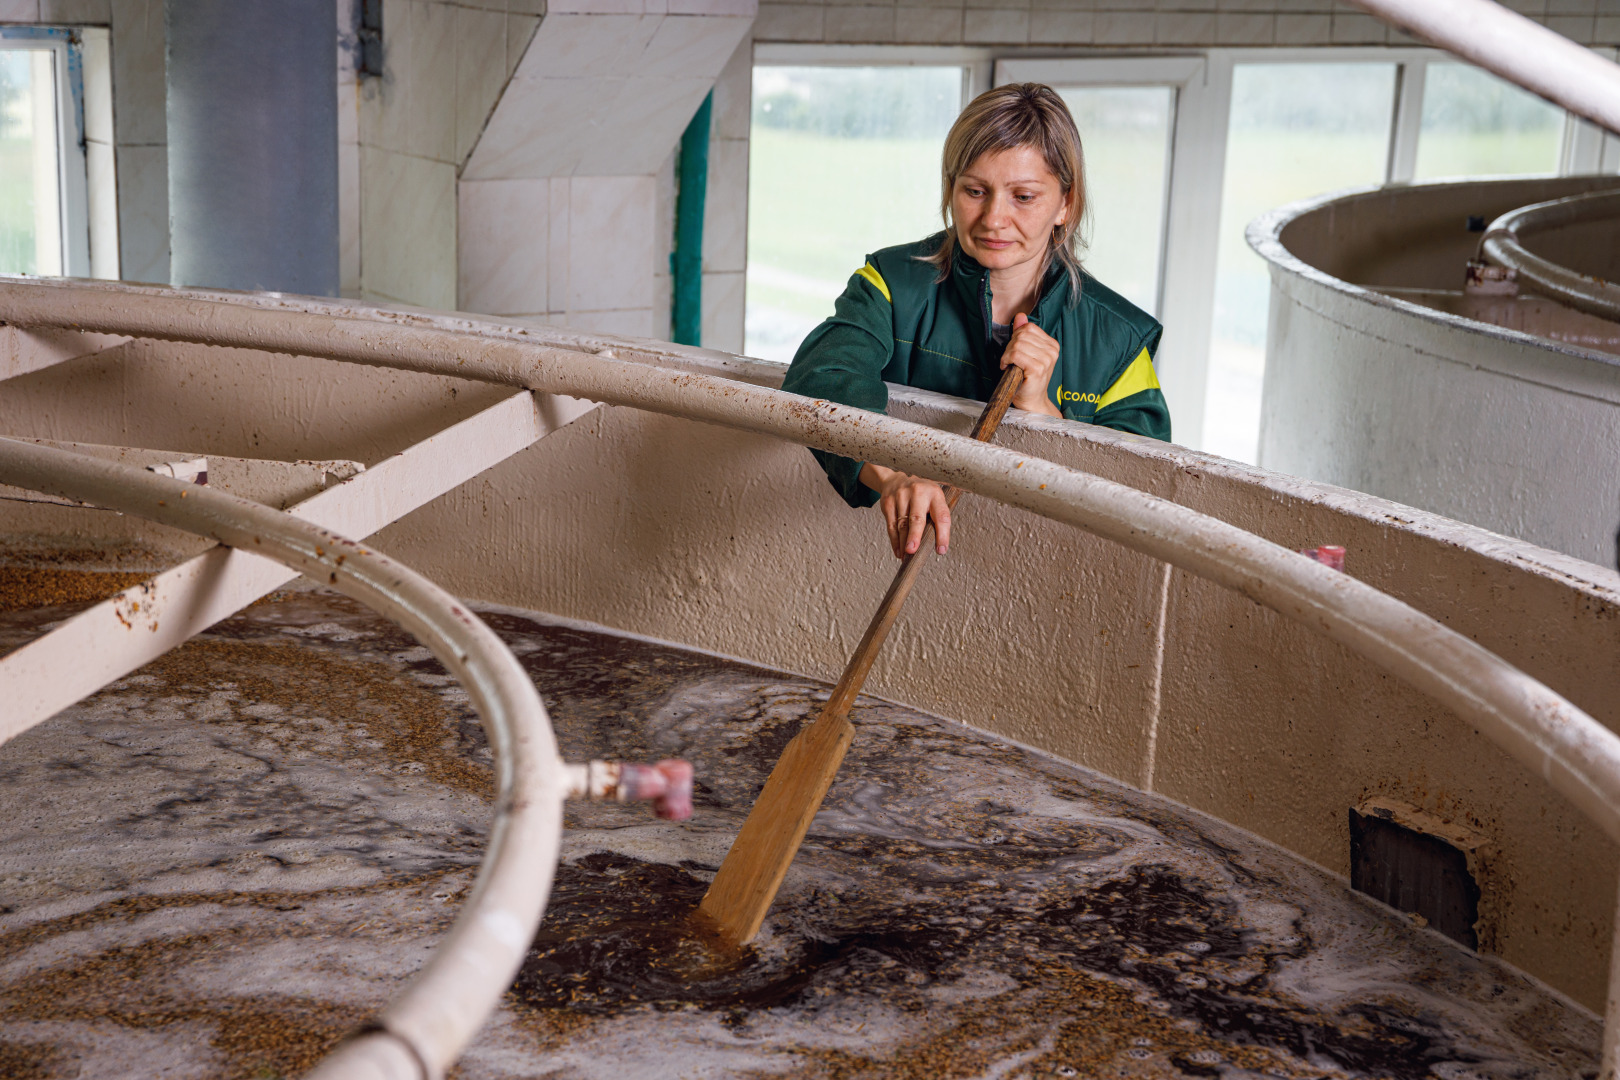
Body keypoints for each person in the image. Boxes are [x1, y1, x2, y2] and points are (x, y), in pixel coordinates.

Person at [781, 82, 1171, 561]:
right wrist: (894, 476)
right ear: (951, 188)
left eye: (1023, 197)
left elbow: (1141, 496)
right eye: (975, 191)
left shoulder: (1121, 341)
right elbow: (819, 379)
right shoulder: (888, 282)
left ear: (1065, 203)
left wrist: (1044, 414)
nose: (993, 219)